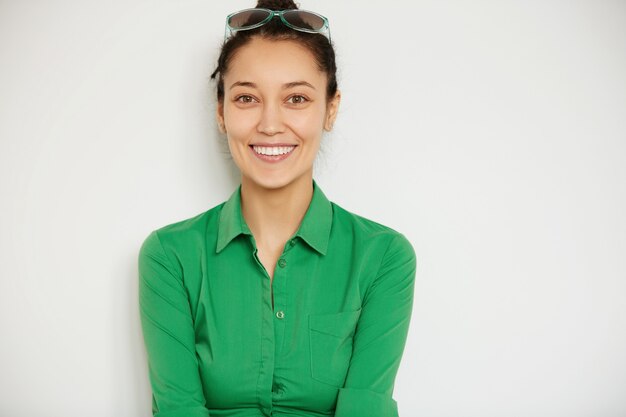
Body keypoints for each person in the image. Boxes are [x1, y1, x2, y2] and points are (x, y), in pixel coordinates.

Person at [137, 1, 417, 416]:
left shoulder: (384, 257)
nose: (270, 124)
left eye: (297, 98)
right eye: (247, 98)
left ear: (331, 108)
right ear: (221, 112)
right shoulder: (169, 256)